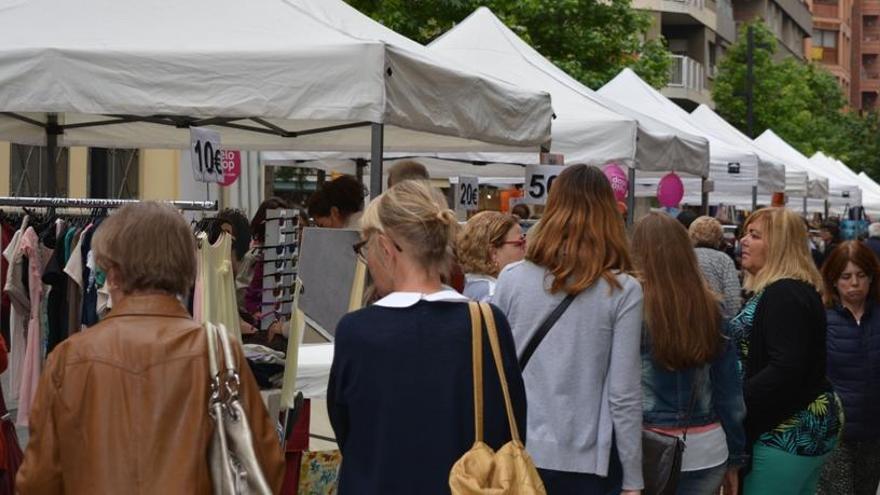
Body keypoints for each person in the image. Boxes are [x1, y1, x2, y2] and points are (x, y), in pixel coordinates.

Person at [16, 202, 285, 494]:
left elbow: (38, 481)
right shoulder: (218, 353)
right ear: (187, 269)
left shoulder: (70, 360)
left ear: (113, 273)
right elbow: (265, 466)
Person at [327, 180, 526, 494]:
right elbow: (510, 426)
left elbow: (347, 429)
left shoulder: (358, 332)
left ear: (384, 247)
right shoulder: (487, 323)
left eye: (364, 248)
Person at [492, 164, 644, 494]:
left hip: (519, 451)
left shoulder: (512, 279)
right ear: (608, 214)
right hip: (589, 459)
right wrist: (633, 477)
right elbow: (624, 393)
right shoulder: (622, 289)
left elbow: (496, 370)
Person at [633, 213, 747, 495]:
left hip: (646, 446)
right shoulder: (712, 310)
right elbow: (730, 395)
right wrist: (734, 458)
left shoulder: (629, 308)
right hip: (707, 448)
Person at [731, 207, 841, 495]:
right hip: (796, 427)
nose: (743, 240)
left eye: (754, 235)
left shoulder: (784, 293)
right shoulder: (793, 290)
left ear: (779, 244)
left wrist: (732, 402)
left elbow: (786, 367)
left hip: (784, 431)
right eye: (745, 233)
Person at [817, 241, 880, 495]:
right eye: (846, 277)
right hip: (835, 434)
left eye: (861, 276)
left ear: (872, 277)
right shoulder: (821, 317)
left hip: (874, 431)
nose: (854, 283)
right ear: (833, 280)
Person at [457, 211, 525, 302]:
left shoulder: (472, 284)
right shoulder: (493, 296)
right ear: (493, 253)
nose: (526, 250)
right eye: (520, 243)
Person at [689, 216, 743, 320]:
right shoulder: (724, 260)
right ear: (719, 237)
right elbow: (733, 298)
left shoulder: (685, 256)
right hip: (715, 322)